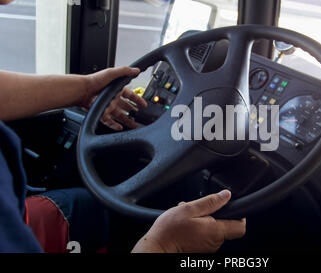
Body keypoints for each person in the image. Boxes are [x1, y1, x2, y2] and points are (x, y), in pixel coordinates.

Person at [0, 0, 245, 253]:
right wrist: (164, 245)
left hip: (21, 213)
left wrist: (84, 89)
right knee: (116, 216)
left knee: (96, 207)